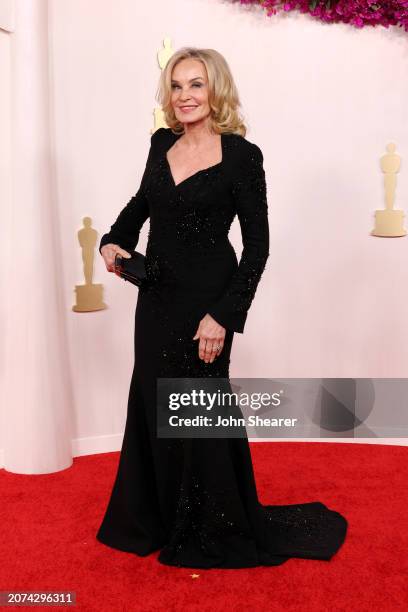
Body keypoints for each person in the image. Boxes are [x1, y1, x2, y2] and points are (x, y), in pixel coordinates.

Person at [96, 47, 348, 568]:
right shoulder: (160, 144)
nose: (185, 96)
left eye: (196, 85)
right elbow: (138, 208)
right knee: (153, 401)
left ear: (216, 91)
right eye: (176, 86)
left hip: (208, 303)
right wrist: (111, 242)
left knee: (195, 412)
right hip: (157, 300)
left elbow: (257, 247)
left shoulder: (241, 156)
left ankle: (214, 526)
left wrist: (225, 315)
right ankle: (157, 519)